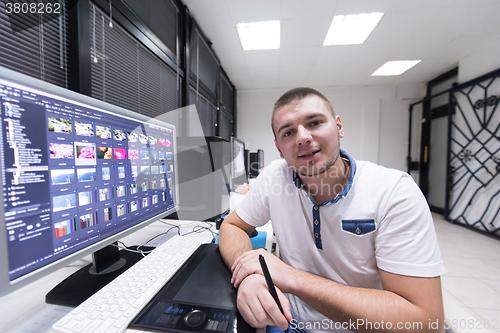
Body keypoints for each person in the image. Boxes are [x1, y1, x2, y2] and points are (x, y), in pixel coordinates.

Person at [218, 87, 445, 333]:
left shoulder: (394, 192)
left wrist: (291, 278)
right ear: (279, 147)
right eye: (288, 132)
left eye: (314, 122)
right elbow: (232, 226)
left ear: (338, 127)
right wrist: (249, 275)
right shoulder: (275, 177)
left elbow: (426, 324)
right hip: (288, 324)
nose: (302, 137)